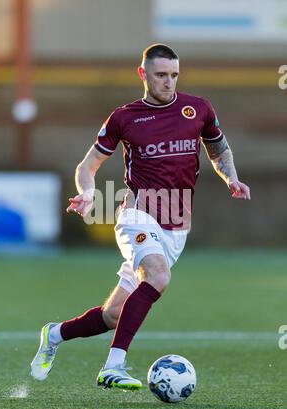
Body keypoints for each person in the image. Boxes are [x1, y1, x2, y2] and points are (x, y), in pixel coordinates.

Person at [31, 44, 250, 390]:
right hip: (137, 214)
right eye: (161, 75)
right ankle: (113, 366)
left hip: (177, 226)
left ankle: (54, 334)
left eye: (174, 75)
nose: (169, 82)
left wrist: (231, 177)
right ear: (143, 74)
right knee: (158, 276)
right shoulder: (124, 118)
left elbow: (218, 147)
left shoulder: (199, 108)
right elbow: (88, 165)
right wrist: (88, 192)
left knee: (114, 314)